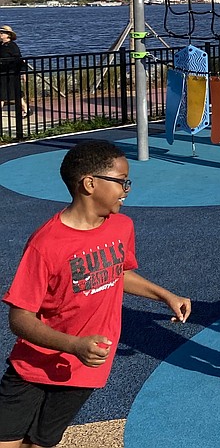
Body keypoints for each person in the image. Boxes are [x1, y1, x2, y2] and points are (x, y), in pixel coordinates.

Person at [0, 141, 191, 448]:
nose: (127, 189)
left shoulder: (122, 227)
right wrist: (74, 344)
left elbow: (116, 271)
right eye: (121, 180)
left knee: (40, 444)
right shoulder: (45, 243)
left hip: (83, 369)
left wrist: (164, 295)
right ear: (89, 183)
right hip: (33, 365)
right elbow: (19, 318)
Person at [0, 24, 27, 117]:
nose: (0, 34)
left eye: (2, 33)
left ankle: (26, 109)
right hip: (2, 72)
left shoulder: (12, 46)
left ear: (8, 35)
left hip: (11, 73)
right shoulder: (1, 45)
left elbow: (19, 59)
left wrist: (23, 73)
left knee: (15, 94)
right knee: (1, 94)